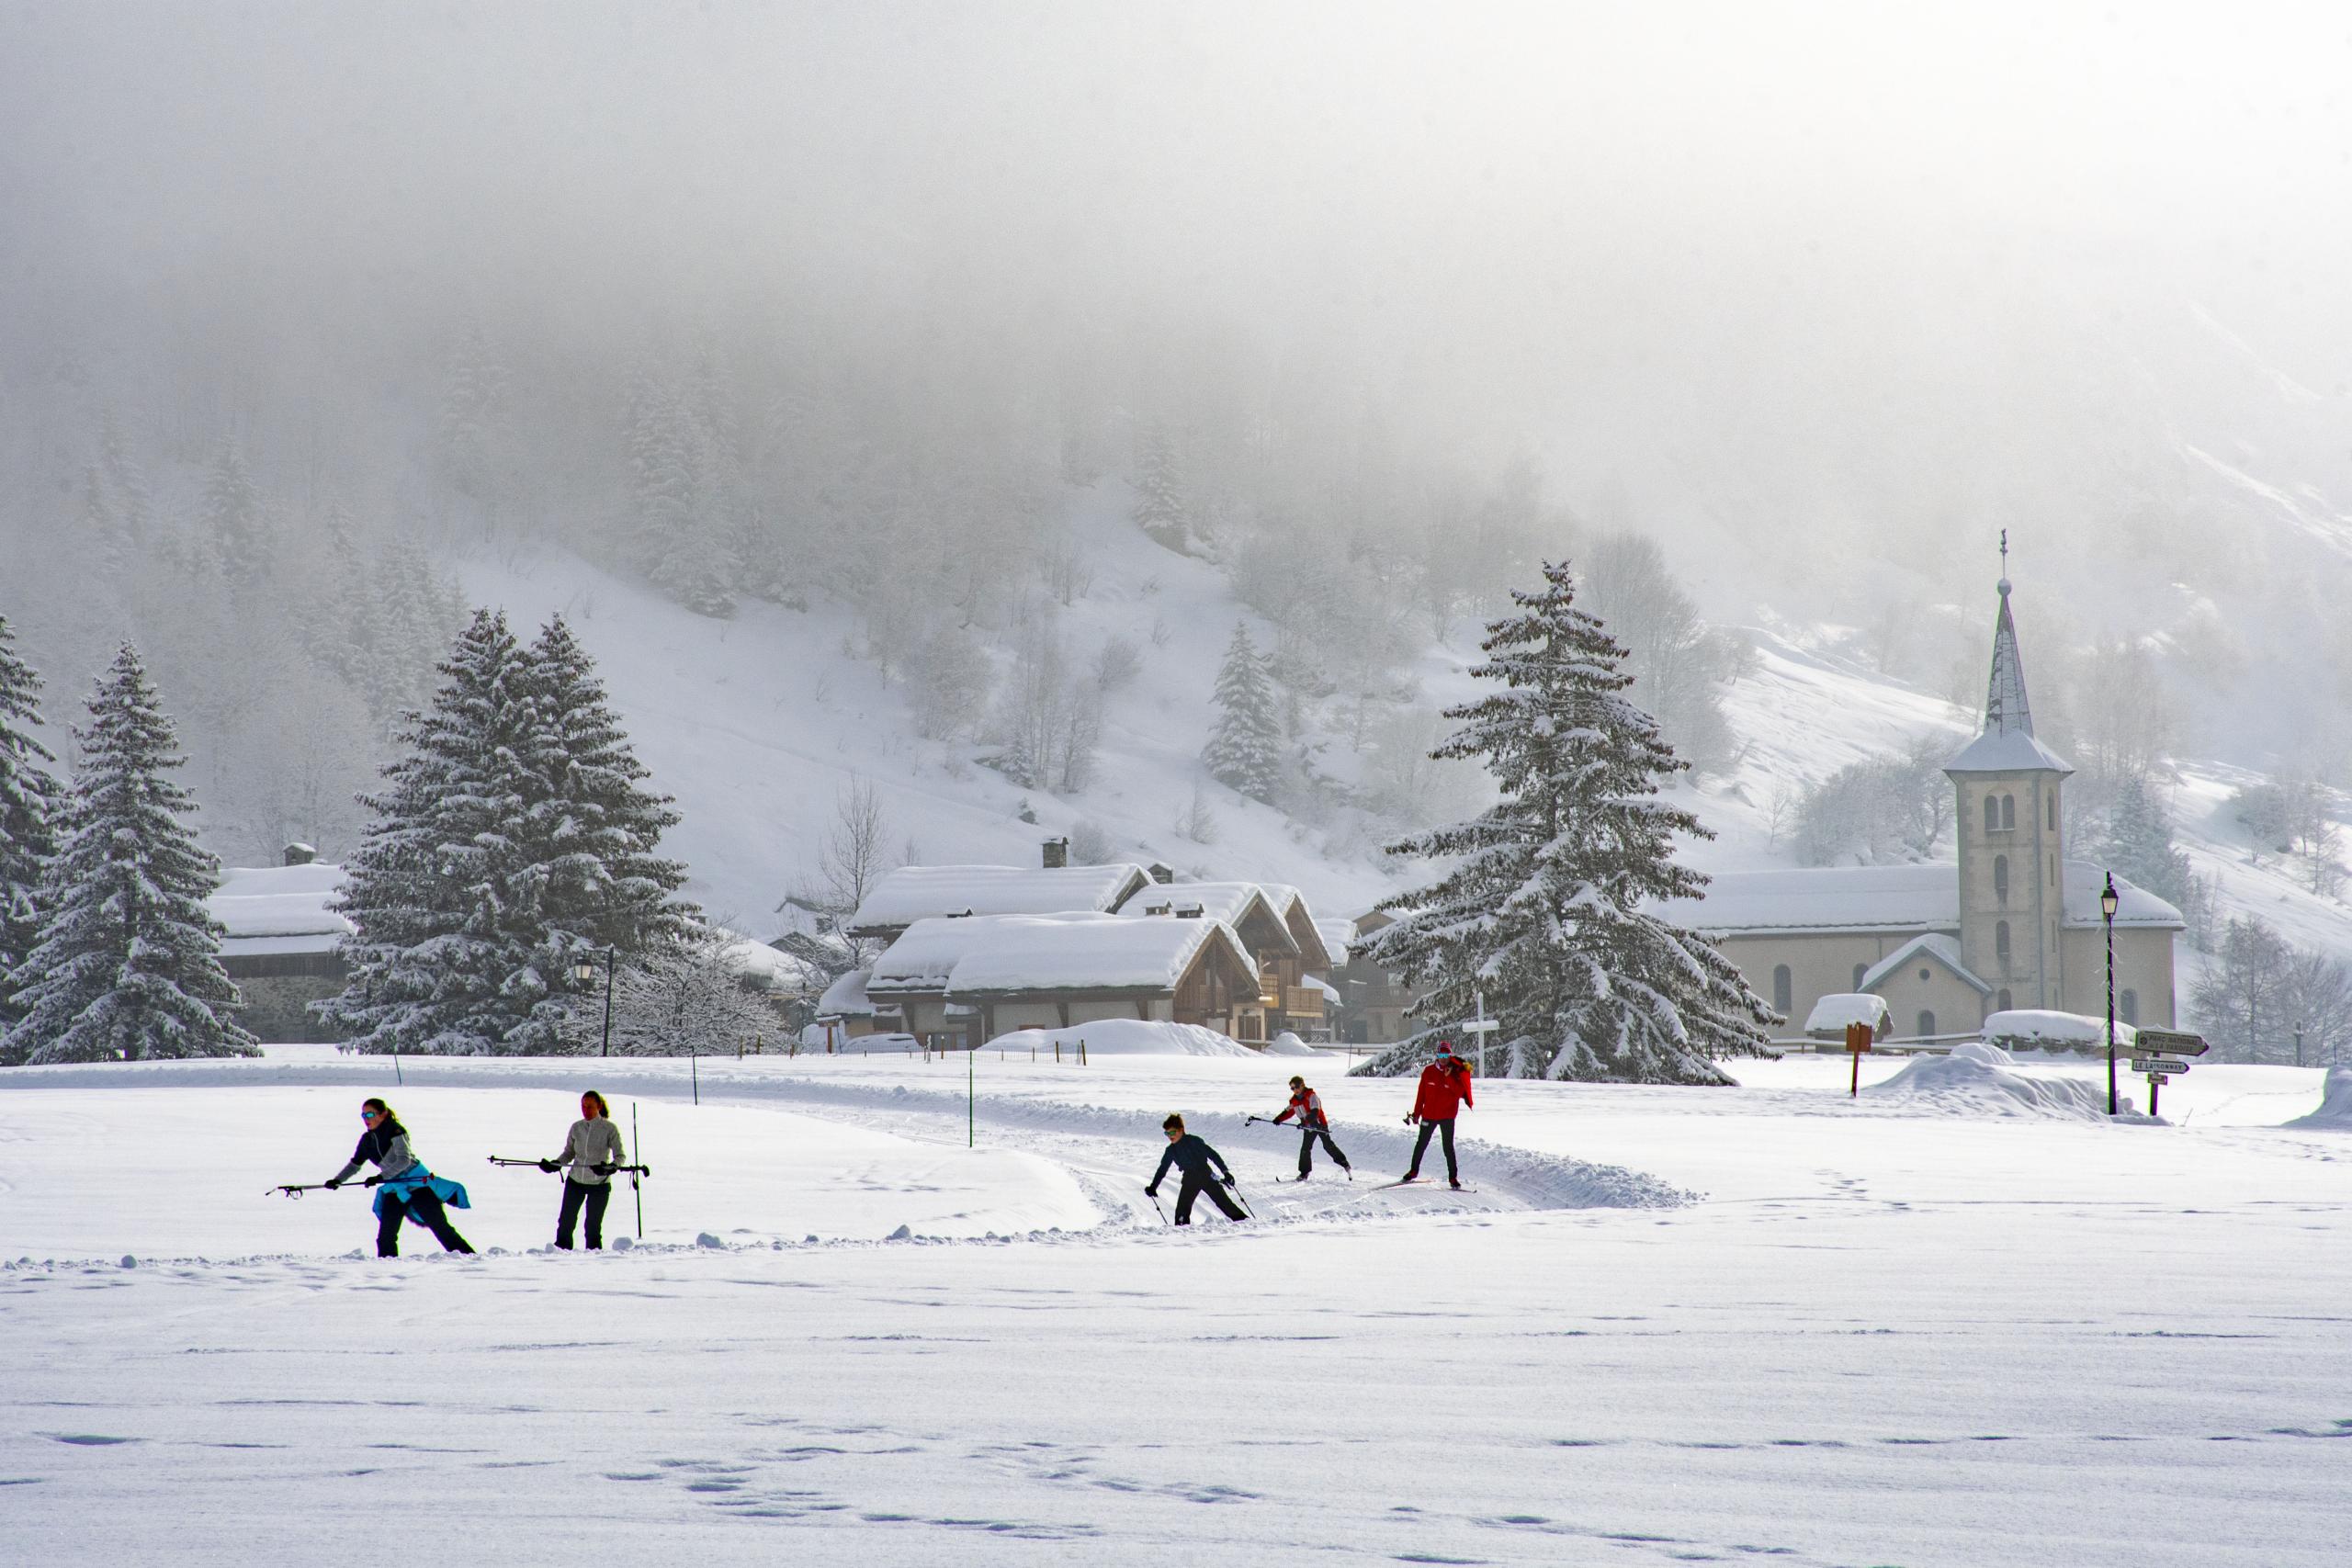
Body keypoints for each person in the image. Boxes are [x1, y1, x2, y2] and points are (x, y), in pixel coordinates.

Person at [326, 1098, 475, 1258]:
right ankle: (387, 1269)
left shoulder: (396, 1131)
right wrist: (337, 1180)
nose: (366, 1119)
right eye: (363, 1115)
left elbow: (404, 1160)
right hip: (395, 1188)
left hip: (419, 1186)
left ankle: (470, 1260)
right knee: (385, 1236)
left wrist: (380, 1176)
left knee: (441, 1229)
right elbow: (355, 1165)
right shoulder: (366, 1140)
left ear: (383, 1114)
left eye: (370, 1114)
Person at [539, 1089, 627, 1250]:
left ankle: (592, 1261)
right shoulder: (576, 1127)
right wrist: (555, 1164)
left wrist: (610, 1169)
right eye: (583, 1106)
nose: (585, 1110)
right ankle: (560, 1256)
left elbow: (620, 1156)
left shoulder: (609, 1129)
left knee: (592, 1227)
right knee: (566, 1222)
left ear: (599, 1106)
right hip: (575, 1182)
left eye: (590, 1107)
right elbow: (569, 1153)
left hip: (599, 1184)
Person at [1146, 1113, 1246, 1224]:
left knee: (1225, 1204)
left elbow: (1213, 1155)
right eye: (1167, 1133)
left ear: (1181, 1130)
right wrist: (1153, 1187)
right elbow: (1162, 1169)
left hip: (1206, 1175)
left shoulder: (1195, 1141)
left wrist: (1226, 1173)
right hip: (1190, 1179)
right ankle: (1182, 1232)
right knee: (1182, 1210)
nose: (1170, 1136)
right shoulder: (1171, 1150)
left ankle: (1247, 1224)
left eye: (1172, 1132)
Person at [1403, 1040, 1475, 1189]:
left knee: (1448, 1147)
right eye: (1441, 1054)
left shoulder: (1455, 1073)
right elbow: (1421, 1095)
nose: (1444, 1058)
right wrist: (1417, 1113)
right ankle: (1413, 1171)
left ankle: (1453, 1178)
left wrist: (1449, 1077)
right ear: (1437, 1055)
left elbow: (1459, 1093)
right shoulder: (1428, 1071)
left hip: (1447, 1116)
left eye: (1446, 1055)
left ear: (1450, 1055)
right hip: (1429, 1114)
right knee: (1421, 1144)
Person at [1271, 1076, 1351, 1179]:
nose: (1295, 1090)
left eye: (1296, 1087)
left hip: (1319, 1124)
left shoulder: (1311, 1096)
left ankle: (1345, 1164)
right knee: (1305, 1148)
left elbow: (1315, 1112)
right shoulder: (1294, 1100)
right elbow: (1288, 1112)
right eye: (1292, 1088)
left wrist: (1305, 1122)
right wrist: (1278, 1119)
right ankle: (1304, 1173)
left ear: (1302, 1085)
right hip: (1307, 1126)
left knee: (1328, 1145)